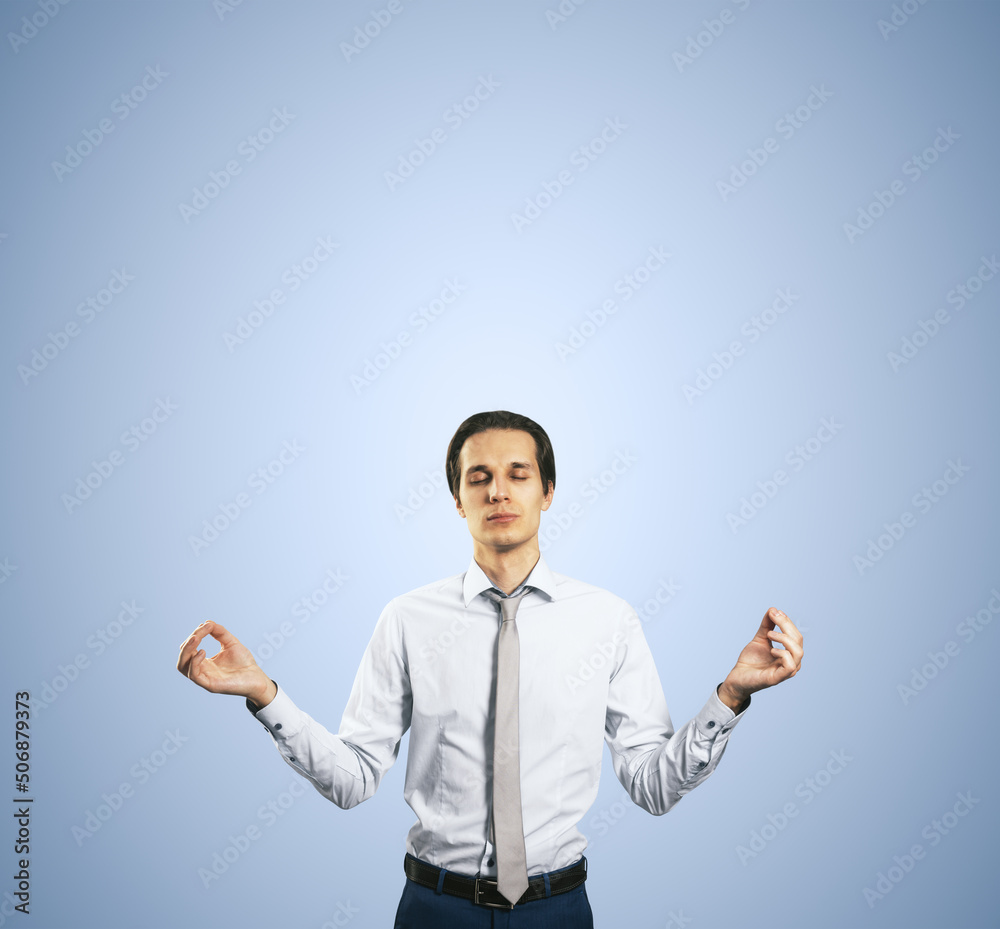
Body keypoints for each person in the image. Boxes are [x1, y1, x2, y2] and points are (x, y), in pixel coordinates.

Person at [177, 410, 803, 927]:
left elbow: (653, 786)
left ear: (547, 492)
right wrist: (264, 695)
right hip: (434, 910)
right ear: (457, 499)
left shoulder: (608, 621)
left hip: (557, 911)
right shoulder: (407, 619)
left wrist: (730, 696)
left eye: (517, 474)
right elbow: (354, 779)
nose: (497, 491)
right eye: (479, 477)